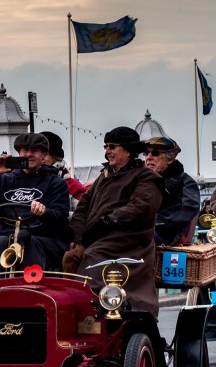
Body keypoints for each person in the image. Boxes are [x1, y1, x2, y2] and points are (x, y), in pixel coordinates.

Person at [63, 126, 163, 316]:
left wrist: (105, 223)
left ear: (128, 150)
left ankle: (97, 308)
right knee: (70, 257)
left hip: (128, 240)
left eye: (112, 146)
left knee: (92, 257)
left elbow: (140, 207)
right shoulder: (103, 176)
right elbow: (82, 206)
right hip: (97, 238)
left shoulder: (148, 178)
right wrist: (77, 236)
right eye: (106, 146)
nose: (107, 151)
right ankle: (73, 310)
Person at [0, 132, 71, 273]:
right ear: (19, 153)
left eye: (35, 151)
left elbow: (61, 216)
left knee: (28, 242)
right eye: (25, 150)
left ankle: (30, 289)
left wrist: (44, 211)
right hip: (8, 238)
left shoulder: (55, 182)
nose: (29, 154)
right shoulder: (4, 179)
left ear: (44, 155)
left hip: (43, 238)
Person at [142, 136, 200, 245]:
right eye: (146, 153)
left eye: (155, 153)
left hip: (166, 236)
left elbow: (186, 209)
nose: (149, 157)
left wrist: (150, 222)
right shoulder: (140, 181)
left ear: (170, 159)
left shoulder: (186, 182)